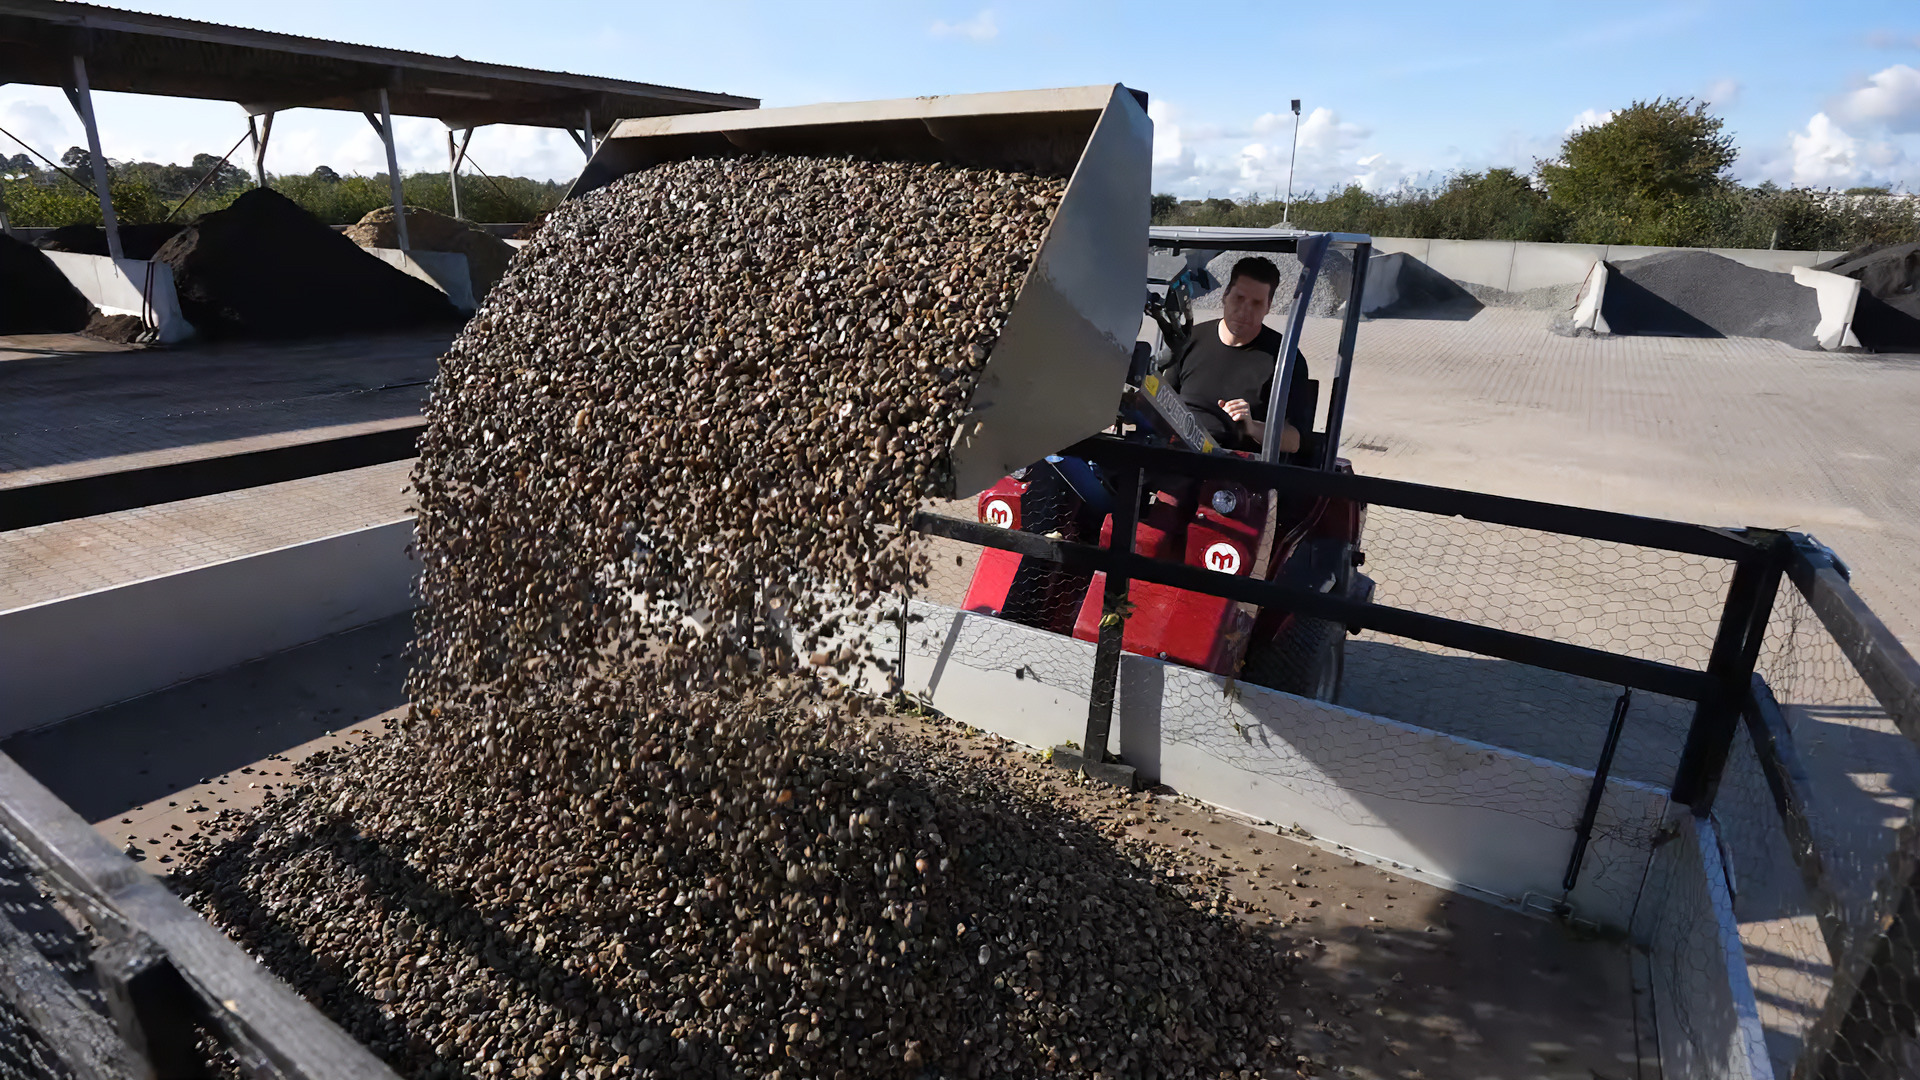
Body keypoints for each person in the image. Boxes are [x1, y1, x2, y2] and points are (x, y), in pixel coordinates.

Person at [1163, 256, 1312, 454]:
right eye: (1239, 299)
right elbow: (1162, 402)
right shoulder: (1188, 340)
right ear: (1225, 295)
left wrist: (1252, 427)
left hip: (1238, 467)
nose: (1244, 311)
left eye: (1256, 303)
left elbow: (1294, 441)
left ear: (1268, 306)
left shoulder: (1285, 358)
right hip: (1179, 455)